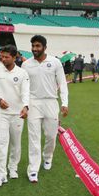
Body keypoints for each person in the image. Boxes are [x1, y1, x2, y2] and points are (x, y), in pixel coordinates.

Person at [22, 35, 68, 183]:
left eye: (37, 46)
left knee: (50, 136)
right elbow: (24, 87)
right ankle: (33, 169)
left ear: (44, 47)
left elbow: (63, 83)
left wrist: (64, 103)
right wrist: (24, 105)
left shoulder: (55, 62)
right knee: (34, 138)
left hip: (50, 102)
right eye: (33, 46)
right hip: (33, 102)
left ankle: (48, 157)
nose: (35, 49)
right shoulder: (26, 64)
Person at [0, 44, 29, 187]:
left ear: (14, 57)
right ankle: (1, 174)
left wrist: (25, 106)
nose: (3, 59)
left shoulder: (22, 73)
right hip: (1, 113)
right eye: (2, 57)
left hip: (17, 113)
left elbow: (26, 91)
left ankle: (13, 168)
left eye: (6, 57)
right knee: (1, 143)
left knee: (16, 143)